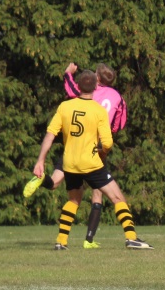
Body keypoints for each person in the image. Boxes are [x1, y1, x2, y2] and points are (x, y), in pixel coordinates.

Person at [32, 69, 152, 250]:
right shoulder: (98, 110)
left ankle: (61, 242)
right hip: (91, 163)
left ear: (78, 86)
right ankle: (131, 238)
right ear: (95, 86)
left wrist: (40, 160)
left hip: (70, 163)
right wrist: (102, 152)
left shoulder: (65, 107)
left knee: (73, 201)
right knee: (118, 197)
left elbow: (50, 135)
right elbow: (108, 142)